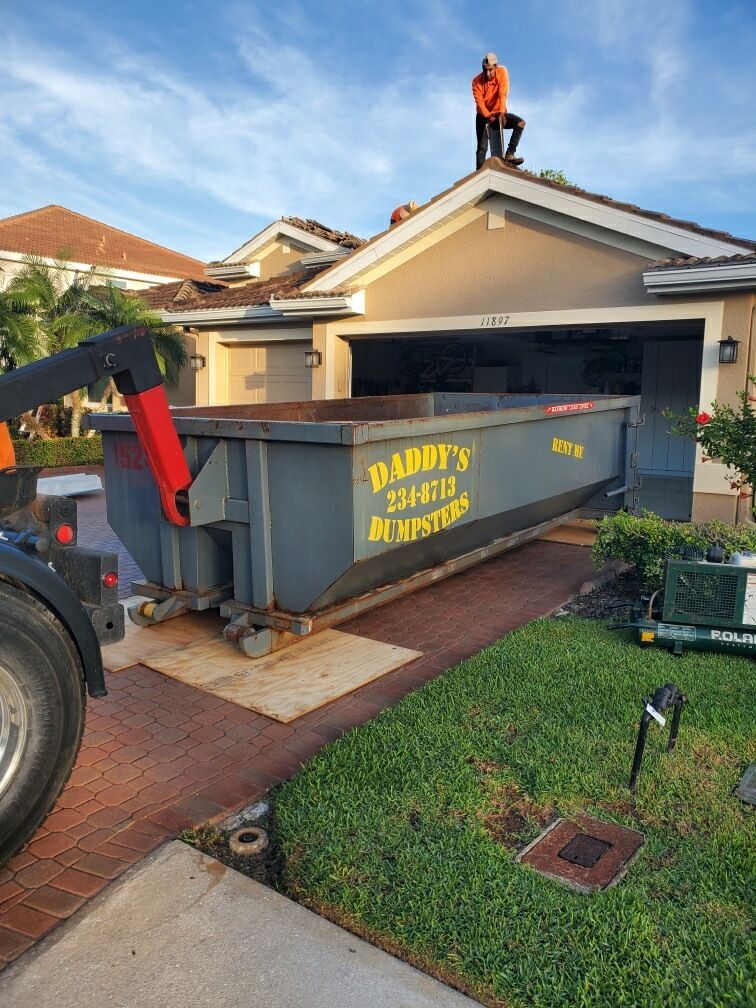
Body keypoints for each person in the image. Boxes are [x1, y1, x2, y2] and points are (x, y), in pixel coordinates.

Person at [472, 52, 525, 169]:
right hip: (483, 115)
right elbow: (479, 103)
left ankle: (510, 154)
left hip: (498, 112)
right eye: (485, 70)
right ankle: (479, 172)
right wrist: (488, 117)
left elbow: (502, 93)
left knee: (520, 123)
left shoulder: (502, 72)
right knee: (482, 147)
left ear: (495, 67)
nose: (488, 73)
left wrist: (501, 113)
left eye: (490, 70)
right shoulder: (476, 81)